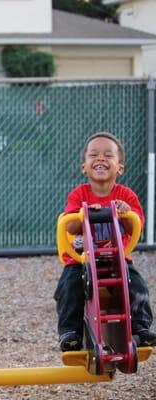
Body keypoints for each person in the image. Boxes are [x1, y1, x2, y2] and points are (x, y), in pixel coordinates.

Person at [55, 131, 156, 351]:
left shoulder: (127, 196)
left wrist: (126, 213)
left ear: (119, 168)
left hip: (116, 259)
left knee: (137, 284)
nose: (100, 158)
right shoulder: (78, 194)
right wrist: (84, 214)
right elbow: (69, 225)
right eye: (94, 155)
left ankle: (140, 329)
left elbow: (136, 225)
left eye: (108, 155)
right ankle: (70, 333)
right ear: (85, 167)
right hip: (83, 260)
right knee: (69, 285)